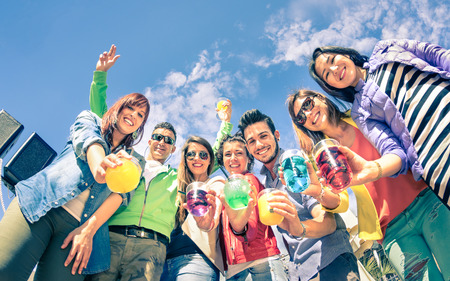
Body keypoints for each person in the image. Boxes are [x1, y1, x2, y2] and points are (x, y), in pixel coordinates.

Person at [286, 89, 450, 280]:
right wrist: (318, 193)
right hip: (392, 230)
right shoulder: (320, 157)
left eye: (307, 104)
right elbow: (341, 201)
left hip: (426, 202)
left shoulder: (360, 115)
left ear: (319, 97)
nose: (307, 114)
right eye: (300, 117)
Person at [0, 92, 150, 281]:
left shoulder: (136, 160)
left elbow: (120, 197)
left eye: (140, 115)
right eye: (131, 107)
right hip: (38, 205)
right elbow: (90, 141)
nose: (133, 115)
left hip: (78, 231)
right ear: (119, 107)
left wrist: (88, 231)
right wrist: (99, 166)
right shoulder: (90, 120)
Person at [309, 39, 450, 207]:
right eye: (326, 74)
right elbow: (393, 150)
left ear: (345, 54)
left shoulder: (386, 50)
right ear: (330, 85)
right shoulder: (360, 112)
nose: (334, 69)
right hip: (438, 161)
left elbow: (437, 55)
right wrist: (372, 169)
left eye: (332, 60)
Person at [87, 45, 178, 281]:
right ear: (149, 140)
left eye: (168, 140)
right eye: (157, 137)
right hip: (111, 236)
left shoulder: (178, 176)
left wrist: (225, 125)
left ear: (173, 148)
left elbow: (211, 159)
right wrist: (100, 76)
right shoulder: (127, 159)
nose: (161, 142)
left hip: (152, 246)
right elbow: (104, 117)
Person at [238, 109, 359, 281]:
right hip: (301, 273)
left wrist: (299, 229)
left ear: (276, 135)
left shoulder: (297, 165)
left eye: (263, 136)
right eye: (251, 142)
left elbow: (328, 223)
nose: (258, 145)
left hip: (329, 262)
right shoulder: (265, 185)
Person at [215, 133, 288, 280]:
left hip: (260, 262)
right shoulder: (228, 188)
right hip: (235, 267)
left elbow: (250, 229)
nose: (233, 158)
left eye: (239, 153)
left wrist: (239, 228)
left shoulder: (248, 181)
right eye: (227, 154)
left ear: (249, 158)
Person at [161, 136, 226, 280]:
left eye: (203, 155)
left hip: (198, 260)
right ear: (185, 159)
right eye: (191, 154)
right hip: (165, 261)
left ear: (210, 160)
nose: (197, 158)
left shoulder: (215, 183)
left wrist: (209, 222)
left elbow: (217, 202)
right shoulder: (178, 188)